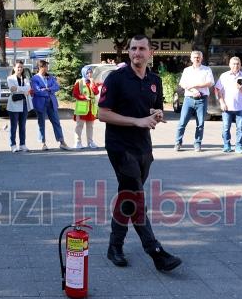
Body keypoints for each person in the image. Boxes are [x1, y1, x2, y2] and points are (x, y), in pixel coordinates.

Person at [98, 34, 182, 273]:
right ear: (129, 52)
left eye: (142, 48)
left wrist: (156, 114)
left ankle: (114, 246)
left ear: (150, 53)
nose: (137, 53)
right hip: (119, 146)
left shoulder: (154, 79)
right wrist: (137, 121)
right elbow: (102, 113)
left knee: (128, 198)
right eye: (133, 48)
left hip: (143, 148)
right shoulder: (115, 78)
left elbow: (157, 109)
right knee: (136, 198)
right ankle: (155, 251)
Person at [174, 50, 214, 152]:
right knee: (182, 122)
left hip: (202, 100)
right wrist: (192, 89)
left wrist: (196, 85)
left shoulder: (207, 70)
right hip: (189, 99)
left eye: (198, 57)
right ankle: (178, 142)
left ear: (202, 58)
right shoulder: (187, 70)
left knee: (200, 124)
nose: (197, 59)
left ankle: (197, 143)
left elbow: (210, 83)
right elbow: (182, 83)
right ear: (191, 59)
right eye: (195, 57)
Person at [31, 60, 70, 151]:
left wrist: (47, 89)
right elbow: (37, 91)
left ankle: (62, 142)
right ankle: (43, 143)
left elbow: (56, 87)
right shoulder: (34, 78)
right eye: (46, 67)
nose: (47, 68)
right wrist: (49, 91)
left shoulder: (50, 77)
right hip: (40, 103)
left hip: (51, 103)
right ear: (41, 67)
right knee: (41, 123)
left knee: (56, 122)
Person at [215, 56, 242, 154]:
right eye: (234, 64)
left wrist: (241, 88)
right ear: (230, 65)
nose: (236, 66)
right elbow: (218, 90)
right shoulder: (224, 76)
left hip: (240, 107)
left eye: (238, 64)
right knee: (226, 128)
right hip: (227, 107)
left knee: (240, 128)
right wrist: (222, 102)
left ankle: (239, 146)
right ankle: (227, 145)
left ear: (240, 65)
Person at [6, 61, 32, 152]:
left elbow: (28, 88)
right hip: (14, 104)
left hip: (24, 104)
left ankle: (22, 144)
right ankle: (13, 145)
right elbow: (12, 89)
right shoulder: (10, 78)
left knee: (22, 125)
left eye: (21, 67)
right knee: (13, 125)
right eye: (18, 67)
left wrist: (18, 88)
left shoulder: (26, 78)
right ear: (14, 68)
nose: (19, 69)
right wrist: (22, 90)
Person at [72, 65, 99, 149]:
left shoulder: (92, 82)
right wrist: (84, 97)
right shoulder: (79, 82)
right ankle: (77, 142)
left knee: (90, 126)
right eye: (88, 73)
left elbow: (96, 92)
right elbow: (75, 94)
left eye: (91, 72)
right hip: (82, 109)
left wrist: (92, 84)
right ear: (84, 73)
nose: (90, 74)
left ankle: (90, 142)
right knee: (79, 126)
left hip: (91, 109)